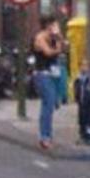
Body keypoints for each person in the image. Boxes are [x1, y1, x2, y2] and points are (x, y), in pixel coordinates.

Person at [31, 15, 64, 150]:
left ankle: (47, 135)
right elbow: (48, 52)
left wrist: (59, 38)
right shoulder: (40, 38)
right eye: (54, 25)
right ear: (48, 26)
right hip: (43, 74)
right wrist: (58, 47)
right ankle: (45, 136)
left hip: (53, 74)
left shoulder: (53, 38)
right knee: (48, 104)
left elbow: (63, 47)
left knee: (54, 103)